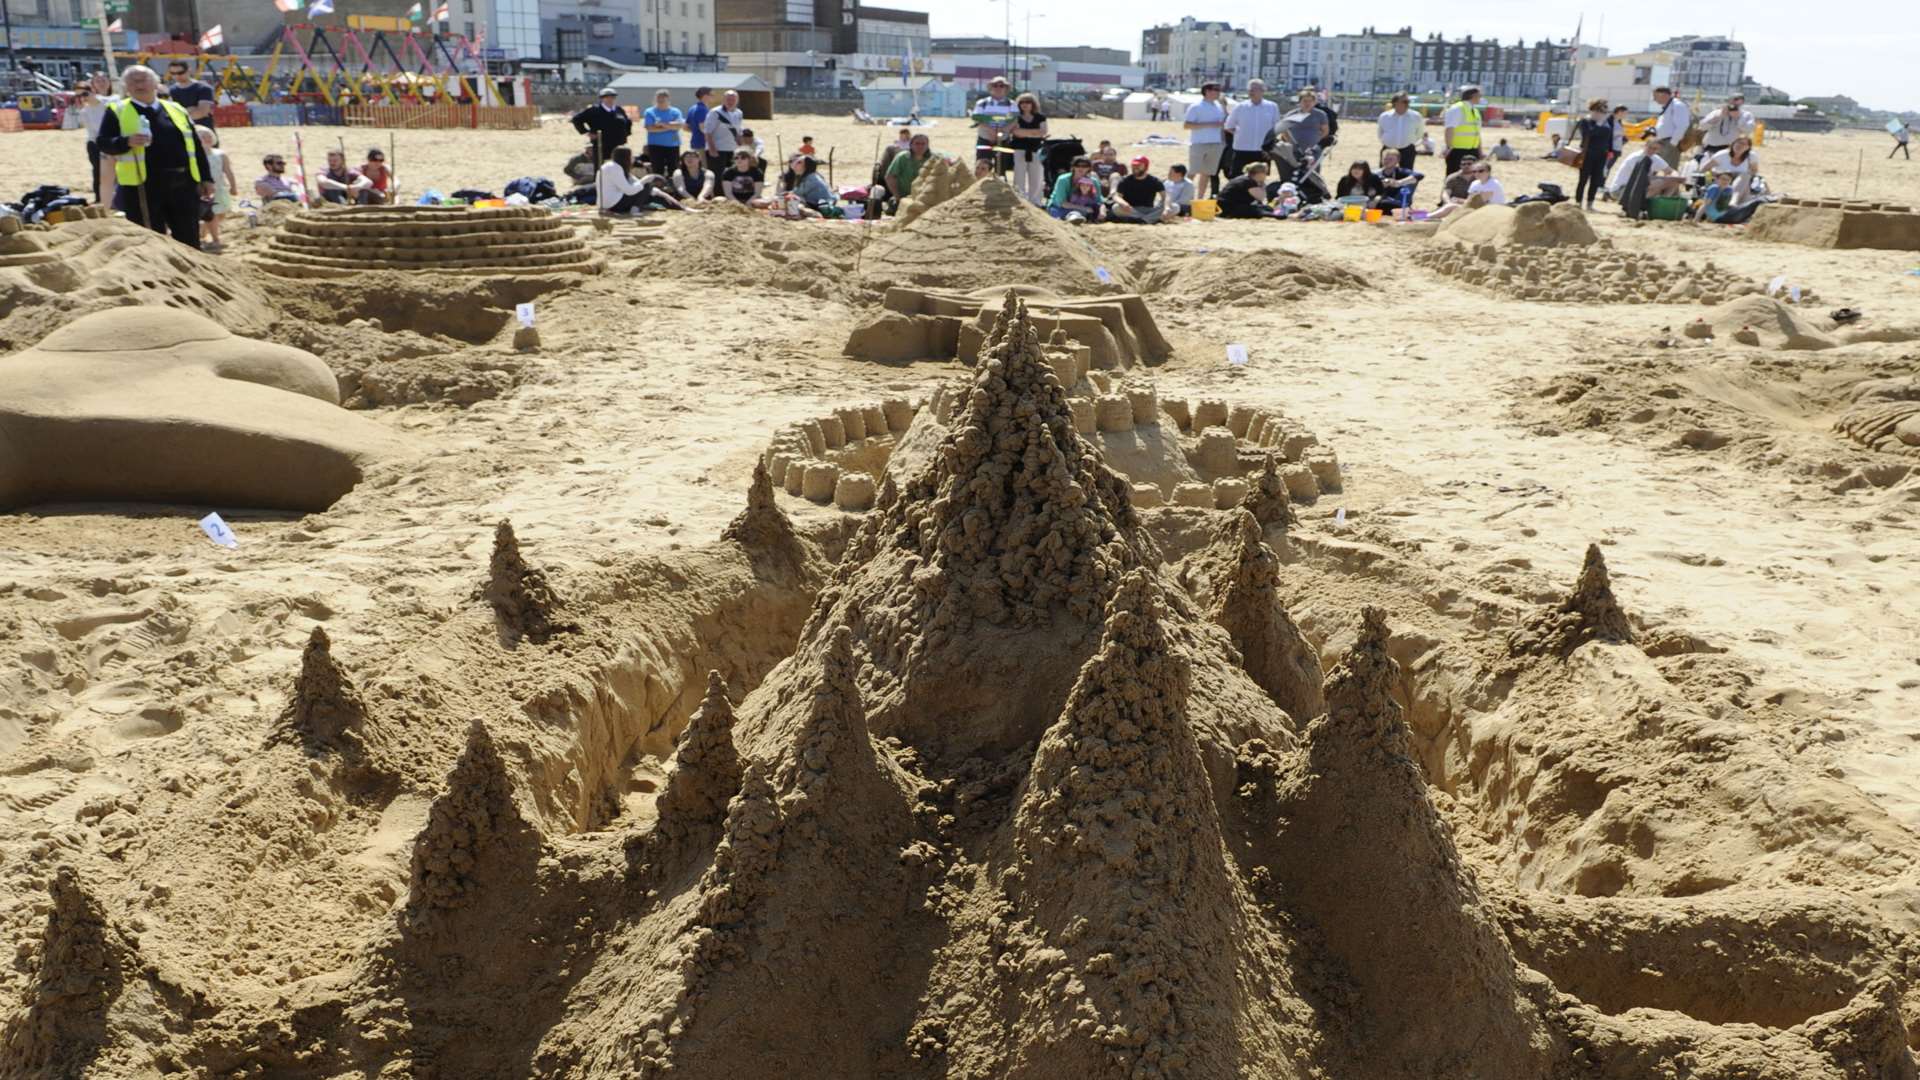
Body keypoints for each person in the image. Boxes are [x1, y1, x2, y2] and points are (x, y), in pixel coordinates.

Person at [93, 65, 214, 248]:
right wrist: (126, 142)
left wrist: (206, 178)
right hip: (142, 185)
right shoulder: (117, 110)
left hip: (183, 183)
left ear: (156, 83)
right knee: (150, 239)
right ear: (126, 86)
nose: (138, 84)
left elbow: (195, 147)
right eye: (132, 81)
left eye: (143, 79)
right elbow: (103, 142)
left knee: (189, 237)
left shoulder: (176, 109)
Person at [75, 72, 119, 205]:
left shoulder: (116, 98)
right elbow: (84, 123)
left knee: (118, 171)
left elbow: (108, 103)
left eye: (103, 80)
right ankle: (100, 199)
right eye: (97, 81)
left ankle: (117, 198)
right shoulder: (86, 107)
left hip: (115, 139)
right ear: (93, 85)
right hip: (95, 142)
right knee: (98, 172)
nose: (101, 83)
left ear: (109, 82)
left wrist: (92, 99)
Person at [1223, 79, 1280, 179]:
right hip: (1242, 149)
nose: (1251, 92)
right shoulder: (1240, 107)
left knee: (1260, 178)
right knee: (1238, 177)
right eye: (1250, 89)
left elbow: (1276, 128)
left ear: (1263, 91)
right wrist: (1240, 134)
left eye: (1255, 89)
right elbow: (1228, 126)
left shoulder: (1272, 107)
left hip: (1262, 150)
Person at [194, 126, 237, 251]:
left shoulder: (220, 154)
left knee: (221, 213)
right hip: (205, 190)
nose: (206, 138)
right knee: (211, 214)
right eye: (203, 136)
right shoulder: (196, 156)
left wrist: (233, 186)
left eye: (208, 136)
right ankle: (215, 239)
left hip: (220, 188)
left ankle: (204, 230)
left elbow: (228, 171)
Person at [1183, 82, 1229, 199]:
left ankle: (1200, 198)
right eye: (1216, 89)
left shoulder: (1219, 106)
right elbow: (1187, 125)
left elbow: (1223, 124)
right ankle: (1183, 197)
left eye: (1219, 89)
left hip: (1216, 143)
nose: (1219, 92)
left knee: (1207, 173)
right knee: (1192, 172)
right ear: (1207, 91)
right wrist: (1210, 124)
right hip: (1199, 143)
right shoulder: (1196, 106)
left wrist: (1223, 142)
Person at [1608, 133, 1681, 200]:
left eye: (1655, 149)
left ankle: (1663, 202)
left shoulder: (1654, 158)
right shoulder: (1636, 157)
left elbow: (1671, 171)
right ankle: (1637, 205)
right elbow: (1639, 178)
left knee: (1674, 182)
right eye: (1650, 147)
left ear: (1659, 150)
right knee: (1658, 184)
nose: (1651, 150)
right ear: (1645, 146)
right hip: (1621, 189)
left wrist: (1676, 177)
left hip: (1636, 187)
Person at [1573, 98, 1615, 211]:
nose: (1601, 114)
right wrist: (1598, 125)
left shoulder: (1607, 122)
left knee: (1596, 179)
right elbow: (1588, 134)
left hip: (1602, 154)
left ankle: (1590, 203)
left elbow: (1609, 137)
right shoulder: (1585, 121)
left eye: (1604, 112)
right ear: (1592, 110)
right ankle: (1578, 202)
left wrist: (1610, 150)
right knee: (1583, 179)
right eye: (1599, 111)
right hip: (1588, 153)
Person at [1007, 92, 1049, 205]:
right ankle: (1020, 199)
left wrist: (1024, 132)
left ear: (1033, 104)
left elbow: (1043, 132)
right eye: (1022, 102)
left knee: (1037, 176)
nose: (1025, 105)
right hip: (1019, 149)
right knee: (1019, 175)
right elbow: (1015, 132)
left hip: (1036, 149)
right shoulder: (1015, 117)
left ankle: (1035, 201)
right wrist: (1033, 133)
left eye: (1028, 102)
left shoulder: (1040, 117)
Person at [970, 75, 1018, 171]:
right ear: (991, 88)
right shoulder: (982, 103)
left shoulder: (1011, 104)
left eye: (1001, 86)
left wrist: (1002, 131)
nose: (998, 88)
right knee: (982, 165)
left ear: (1006, 88)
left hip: (1003, 138)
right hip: (985, 137)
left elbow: (1014, 120)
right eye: (995, 85)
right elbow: (977, 118)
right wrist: (991, 131)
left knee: (1001, 166)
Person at [571, 88, 633, 161]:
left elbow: (627, 122)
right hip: (601, 144)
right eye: (607, 97)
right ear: (602, 98)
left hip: (618, 145)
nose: (610, 99)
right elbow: (576, 119)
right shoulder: (594, 110)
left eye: (612, 97)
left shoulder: (619, 110)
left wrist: (626, 134)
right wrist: (586, 132)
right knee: (601, 167)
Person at [1276, 89, 1329, 170]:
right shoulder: (1291, 114)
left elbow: (1325, 131)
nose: (1307, 103)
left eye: (1310, 101)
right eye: (1305, 101)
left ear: (1314, 102)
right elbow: (1284, 131)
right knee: (1295, 171)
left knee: (1312, 172)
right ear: (1300, 102)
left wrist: (1317, 141)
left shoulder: (1320, 115)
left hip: (1313, 151)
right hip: (1295, 151)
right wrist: (1292, 143)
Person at [1705, 136, 1761, 205]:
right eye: (1738, 142)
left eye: (1744, 144)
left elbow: (1754, 172)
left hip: (1741, 182)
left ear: (1748, 147)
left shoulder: (1751, 156)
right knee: (1745, 188)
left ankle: (1733, 201)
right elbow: (1704, 169)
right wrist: (1717, 175)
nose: (1740, 145)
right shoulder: (1722, 155)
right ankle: (1734, 203)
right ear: (1733, 143)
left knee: (1745, 177)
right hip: (1722, 181)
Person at [1442, 84, 1484, 176]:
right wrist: (1448, 147)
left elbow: (1477, 133)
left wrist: (1480, 151)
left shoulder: (1475, 111)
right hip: (1458, 151)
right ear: (1473, 96)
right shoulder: (1457, 109)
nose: (1481, 98)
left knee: (1472, 178)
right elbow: (1449, 129)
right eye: (1480, 96)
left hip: (1473, 151)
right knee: (1455, 176)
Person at [1109, 156, 1166, 224]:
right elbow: (1117, 196)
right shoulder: (1125, 180)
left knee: (1174, 206)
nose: (1135, 167)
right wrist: (1123, 203)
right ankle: (1148, 219)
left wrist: (1167, 207)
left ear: (1146, 167)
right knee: (1116, 207)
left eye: (1139, 165)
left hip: (1149, 209)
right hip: (1130, 209)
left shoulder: (1154, 181)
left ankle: (1143, 220)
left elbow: (1165, 196)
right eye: (1133, 165)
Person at [641, 89, 684, 178]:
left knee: (674, 169)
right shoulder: (650, 112)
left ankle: (673, 189)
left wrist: (661, 125)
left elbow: (679, 125)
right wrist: (670, 126)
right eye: (658, 100)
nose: (660, 102)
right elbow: (650, 128)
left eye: (663, 100)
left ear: (668, 100)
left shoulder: (676, 111)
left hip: (673, 145)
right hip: (655, 145)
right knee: (657, 169)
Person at [598, 146, 653, 214]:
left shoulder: (611, 165)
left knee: (642, 185)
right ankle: (635, 210)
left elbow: (634, 181)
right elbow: (629, 191)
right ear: (625, 157)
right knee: (645, 185)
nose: (633, 158)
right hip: (614, 204)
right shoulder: (615, 168)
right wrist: (644, 180)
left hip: (604, 204)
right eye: (631, 156)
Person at [1376, 92, 1422, 173]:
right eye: (1404, 101)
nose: (1407, 104)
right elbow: (1380, 133)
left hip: (1407, 149)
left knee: (1406, 173)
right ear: (1395, 102)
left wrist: (1410, 142)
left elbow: (1419, 133)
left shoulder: (1416, 116)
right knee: (1384, 173)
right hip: (1388, 149)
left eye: (1408, 101)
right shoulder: (1384, 116)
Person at [702, 90, 745, 174]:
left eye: (733, 99)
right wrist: (712, 149)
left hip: (733, 150)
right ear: (723, 100)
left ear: (737, 100)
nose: (730, 102)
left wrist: (741, 147)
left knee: (731, 175)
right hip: (718, 150)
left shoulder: (739, 113)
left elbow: (738, 131)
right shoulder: (715, 112)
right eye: (728, 99)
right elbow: (707, 132)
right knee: (717, 176)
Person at [1694, 171, 1761, 224]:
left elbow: (1724, 205)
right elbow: (1705, 205)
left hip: (1723, 215)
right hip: (1717, 217)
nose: (1725, 181)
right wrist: (1696, 220)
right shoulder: (1714, 188)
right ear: (1717, 179)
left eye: (1727, 180)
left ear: (1730, 181)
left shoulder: (1729, 189)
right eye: (1723, 179)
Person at [1650, 86, 1692, 169]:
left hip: (1670, 143)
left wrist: (1673, 143)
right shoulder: (1669, 106)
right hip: (1662, 142)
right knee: (1657, 168)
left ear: (1664, 95)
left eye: (1656, 96)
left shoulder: (1678, 105)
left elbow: (1682, 125)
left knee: (1669, 169)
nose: (1654, 99)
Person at [886, 133, 933, 205]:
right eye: (917, 144)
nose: (920, 146)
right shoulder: (903, 157)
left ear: (927, 145)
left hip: (926, 197)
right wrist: (897, 197)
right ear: (911, 145)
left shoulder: (933, 159)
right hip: (904, 197)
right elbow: (890, 177)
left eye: (923, 144)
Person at [165, 60, 215, 128]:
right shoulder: (171, 90)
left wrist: (179, 114)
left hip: (203, 131)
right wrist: (189, 110)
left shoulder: (204, 88)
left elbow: (201, 112)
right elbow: (169, 114)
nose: (176, 76)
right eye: (172, 73)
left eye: (180, 73)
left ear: (189, 70)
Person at [1377, 148, 1420, 212]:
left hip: (1398, 201)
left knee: (1412, 181)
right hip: (1382, 200)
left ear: (1397, 161)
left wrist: (1399, 183)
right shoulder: (1377, 173)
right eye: (1385, 159)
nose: (1387, 161)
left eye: (1391, 159)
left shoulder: (1401, 171)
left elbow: (1419, 175)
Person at [686, 87, 712, 162]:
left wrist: (695, 131)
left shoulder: (692, 108)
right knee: (704, 168)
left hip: (695, 142)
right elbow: (702, 128)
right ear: (705, 96)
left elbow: (686, 127)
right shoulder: (702, 109)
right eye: (711, 94)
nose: (712, 96)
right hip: (702, 144)